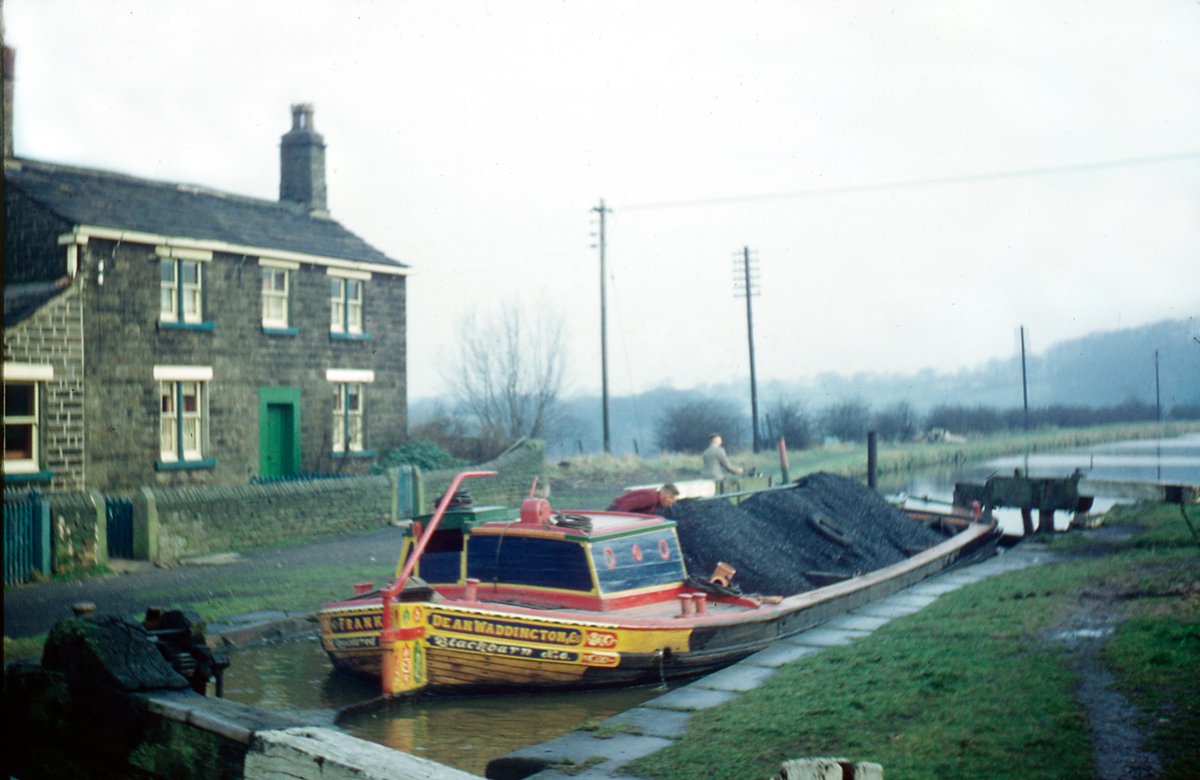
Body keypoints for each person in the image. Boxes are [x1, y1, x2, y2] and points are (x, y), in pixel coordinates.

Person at [608, 483, 680, 514]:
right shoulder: (651, 498)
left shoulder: (655, 503)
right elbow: (627, 504)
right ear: (665, 495)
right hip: (615, 510)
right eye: (671, 500)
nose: (670, 505)